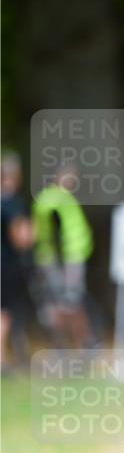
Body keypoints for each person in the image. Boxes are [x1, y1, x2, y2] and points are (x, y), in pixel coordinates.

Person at [31, 165, 94, 349]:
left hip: (66, 258)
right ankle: (72, 344)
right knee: (66, 303)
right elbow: (50, 230)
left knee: (65, 302)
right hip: (62, 260)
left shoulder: (53, 198)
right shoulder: (55, 199)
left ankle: (73, 345)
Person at [1, 152, 32, 370]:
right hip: (7, 263)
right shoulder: (12, 202)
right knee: (4, 312)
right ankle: (1, 360)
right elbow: (19, 237)